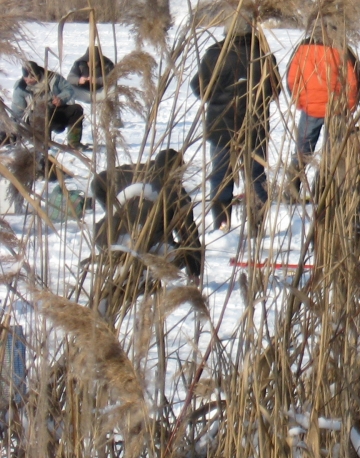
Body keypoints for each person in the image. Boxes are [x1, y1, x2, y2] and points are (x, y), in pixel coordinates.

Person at [190, 15, 281, 232]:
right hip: (255, 126)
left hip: (222, 125)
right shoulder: (263, 54)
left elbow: (199, 88)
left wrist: (219, 95)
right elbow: (275, 89)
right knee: (256, 175)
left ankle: (222, 224)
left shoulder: (215, 54)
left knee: (221, 175)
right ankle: (257, 225)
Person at [91, 148, 202, 279]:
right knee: (183, 252)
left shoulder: (133, 171)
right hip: (148, 250)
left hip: (107, 239)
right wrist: (195, 272)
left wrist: (113, 211)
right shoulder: (177, 194)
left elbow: (97, 182)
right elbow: (189, 237)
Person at [285, 37, 360, 194]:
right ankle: (322, 191)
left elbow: (292, 78)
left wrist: (299, 101)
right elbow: (352, 82)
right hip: (336, 110)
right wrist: (350, 106)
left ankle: (291, 189)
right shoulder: (340, 48)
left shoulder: (303, 48)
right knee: (332, 153)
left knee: (302, 150)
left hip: (310, 108)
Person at [11, 60, 84, 147]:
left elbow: (69, 89)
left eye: (32, 77)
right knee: (42, 112)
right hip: (35, 118)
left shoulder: (53, 78)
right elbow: (17, 111)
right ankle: (43, 145)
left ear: (38, 74)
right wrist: (12, 128)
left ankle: (74, 143)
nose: (28, 80)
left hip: (55, 112)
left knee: (76, 109)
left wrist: (61, 98)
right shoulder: (21, 88)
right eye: (26, 78)